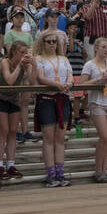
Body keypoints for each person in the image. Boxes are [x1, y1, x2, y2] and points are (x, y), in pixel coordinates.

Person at [33, 28, 74, 187]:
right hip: (47, 98)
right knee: (48, 138)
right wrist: (58, 84)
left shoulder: (63, 59)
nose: (52, 44)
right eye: (48, 41)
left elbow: (70, 74)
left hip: (62, 98)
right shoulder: (39, 59)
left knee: (60, 138)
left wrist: (69, 83)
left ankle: (60, 173)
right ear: (42, 43)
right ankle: (50, 174)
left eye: (54, 41)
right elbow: (41, 77)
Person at [79, 37, 107, 182]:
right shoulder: (89, 64)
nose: (106, 50)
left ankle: (104, 169)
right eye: (103, 47)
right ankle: (98, 170)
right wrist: (98, 80)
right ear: (96, 48)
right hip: (97, 101)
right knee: (103, 135)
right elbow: (82, 83)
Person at [0, 40, 30, 181]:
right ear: (14, 52)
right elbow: (9, 80)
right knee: (4, 130)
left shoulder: (23, 64)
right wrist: (20, 66)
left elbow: (32, 81)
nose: (24, 55)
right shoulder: (5, 62)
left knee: (14, 130)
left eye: (26, 52)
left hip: (14, 99)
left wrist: (33, 65)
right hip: (1, 97)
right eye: (22, 52)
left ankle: (11, 163)